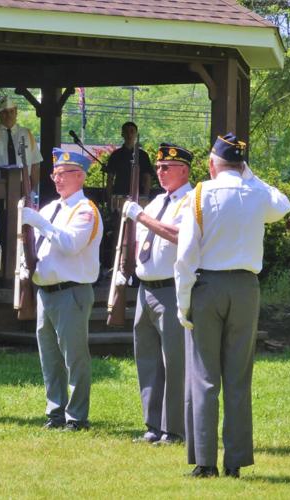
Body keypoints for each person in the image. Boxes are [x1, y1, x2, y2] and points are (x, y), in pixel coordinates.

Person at [174, 133, 290, 478]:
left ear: (212, 164)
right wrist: (249, 176)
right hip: (245, 288)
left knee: (204, 378)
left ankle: (205, 462)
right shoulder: (257, 194)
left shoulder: (199, 194)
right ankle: (235, 461)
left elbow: (184, 256)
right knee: (238, 379)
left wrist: (183, 303)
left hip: (208, 287)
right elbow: (283, 205)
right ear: (242, 164)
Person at [21, 148, 103, 431]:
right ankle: (55, 411)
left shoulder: (85, 210)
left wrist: (39, 222)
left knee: (74, 357)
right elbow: (36, 246)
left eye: (62, 174)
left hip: (72, 292)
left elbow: (70, 245)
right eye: (54, 174)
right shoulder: (50, 208)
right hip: (46, 291)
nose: (56, 179)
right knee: (50, 358)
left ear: (79, 176)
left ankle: (77, 416)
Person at [121, 143, 193, 445]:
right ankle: (152, 426)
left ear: (184, 170)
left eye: (167, 167)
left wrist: (140, 217)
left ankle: (173, 429)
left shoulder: (190, 201)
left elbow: (177, 235)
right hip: (146, 290)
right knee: (148, 361)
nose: (161, 172)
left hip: (171, 290)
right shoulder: (154, 204)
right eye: (159, 167)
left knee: (174, 362)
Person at [0, 96, 42, 190]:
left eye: (11, 111)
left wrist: (33, 189)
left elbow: (35, 163)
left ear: (16, 112)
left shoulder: (26, 133)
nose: (8, 115)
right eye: (4, 112)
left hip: (22, 186)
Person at [104, 122, 153, 203]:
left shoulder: (143, 155)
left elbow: (147, 178)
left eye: (132, 131)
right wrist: (109, 199)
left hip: (138, 196)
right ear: (122, 134)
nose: (129, 134)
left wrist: (145, 198)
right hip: (119, 196)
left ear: (136, 134)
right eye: (126, 131)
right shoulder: (115, 155)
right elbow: (110, 179)